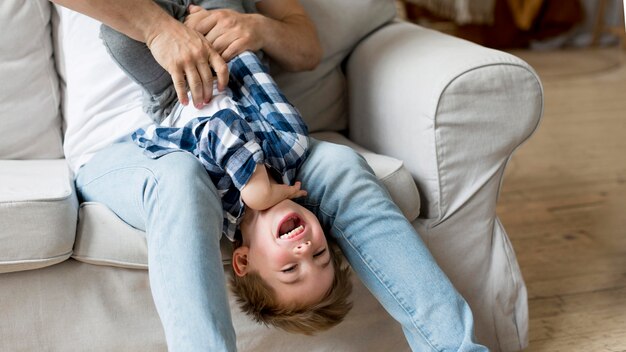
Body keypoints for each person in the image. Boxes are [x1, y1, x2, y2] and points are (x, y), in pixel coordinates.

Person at [51, 0, 489, 350]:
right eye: (316, 257)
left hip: (256, 134)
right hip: (126, 142)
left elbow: (306, 47)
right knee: (182, 179)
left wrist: (260, 29)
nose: (306, 248)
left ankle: (456, 347)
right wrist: (158, 29)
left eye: (298, 263)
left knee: (337, 164)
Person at [99, 0, 353, 332]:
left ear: (244, 260)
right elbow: (263, 103)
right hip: (232, 58)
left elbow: (211, 129)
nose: (304, 250)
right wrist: (260, 179)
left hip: (171, 89)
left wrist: (252, 182)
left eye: (290, 270)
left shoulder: (214, 197)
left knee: (118, 37)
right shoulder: (291, 151)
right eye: (319, 255)